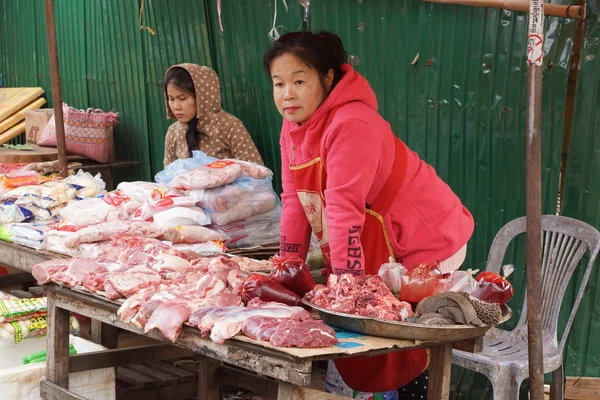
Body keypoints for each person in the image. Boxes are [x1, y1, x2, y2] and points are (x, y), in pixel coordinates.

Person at [263, 31, 475, 398]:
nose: (287, 95)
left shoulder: (351, 124)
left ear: (327, 78)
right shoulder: (293, 125)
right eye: (278, 84)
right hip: (370, 243)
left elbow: (344, 212)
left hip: (423, 240)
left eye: (299, 81)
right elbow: (296, 201)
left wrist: (346, 291)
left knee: (405, 337)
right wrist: (287, 268)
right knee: (361, 330)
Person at [163, 63, 264, 167]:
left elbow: (257, 172)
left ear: (202, 97)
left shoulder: (229, 125)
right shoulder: (173, 132)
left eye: (182, 98)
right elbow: (168, 176)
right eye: (171, 99)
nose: (176, 106)